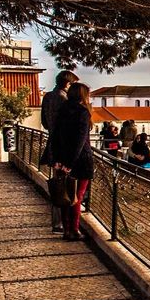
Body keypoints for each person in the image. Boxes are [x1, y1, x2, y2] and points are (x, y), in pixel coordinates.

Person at [51, 83, 94, 240]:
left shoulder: (62, 111)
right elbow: (80, 141)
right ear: (82, 95)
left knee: (65, 195)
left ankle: (66, 230)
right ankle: (74, 230)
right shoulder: (83, 112)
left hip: (62, 159)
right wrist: (70, 163)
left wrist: (58, 159)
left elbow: (54, 137)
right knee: (77, 196)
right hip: (80, 161)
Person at [39, 70, 79, 234]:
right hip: (63, 146)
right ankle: (63, 222)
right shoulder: (66, 100)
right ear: (68, 84)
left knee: (57, 184)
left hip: (52, 144)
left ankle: (57, 222)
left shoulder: (48, 96)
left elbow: (43, 121)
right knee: (65, 185)